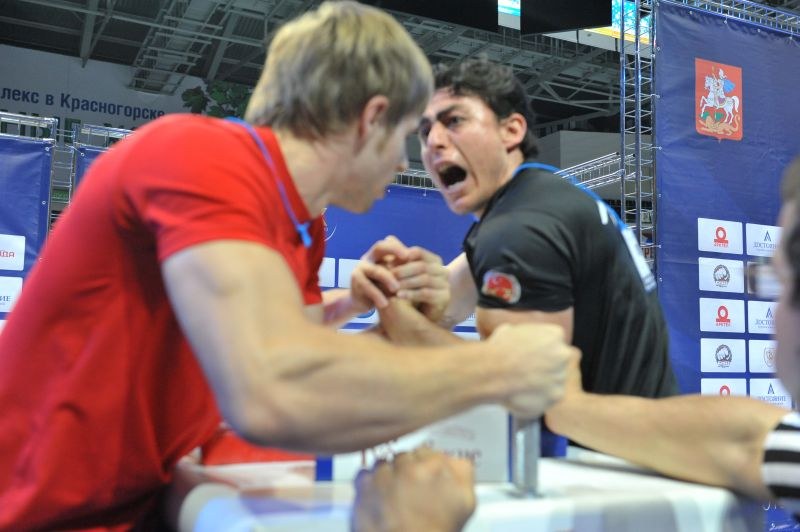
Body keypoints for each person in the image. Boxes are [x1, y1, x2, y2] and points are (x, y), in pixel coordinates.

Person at [0, 4, 577, 530]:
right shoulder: (201, 155)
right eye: (405, 136)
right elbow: (273, 392)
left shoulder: (299, 225)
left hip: (128, 502)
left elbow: (292, 351)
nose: (408, 162)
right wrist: (496, 370)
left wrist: (369, 312)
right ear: (370, 118)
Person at [353, 157, 800, 531]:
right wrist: (568, 405)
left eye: (776, 281)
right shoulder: (527, 221)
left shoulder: (529, 222)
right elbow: (746, 440)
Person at [412, 56, 677, 401]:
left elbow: (530, 390)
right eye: (424, 131)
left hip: (602, 434)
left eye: (455, 121)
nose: (434, 141)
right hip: (636, 423)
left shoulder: (520, 228)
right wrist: (390, 297)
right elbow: (447, 303)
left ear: (511, 130)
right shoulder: (540, 198)